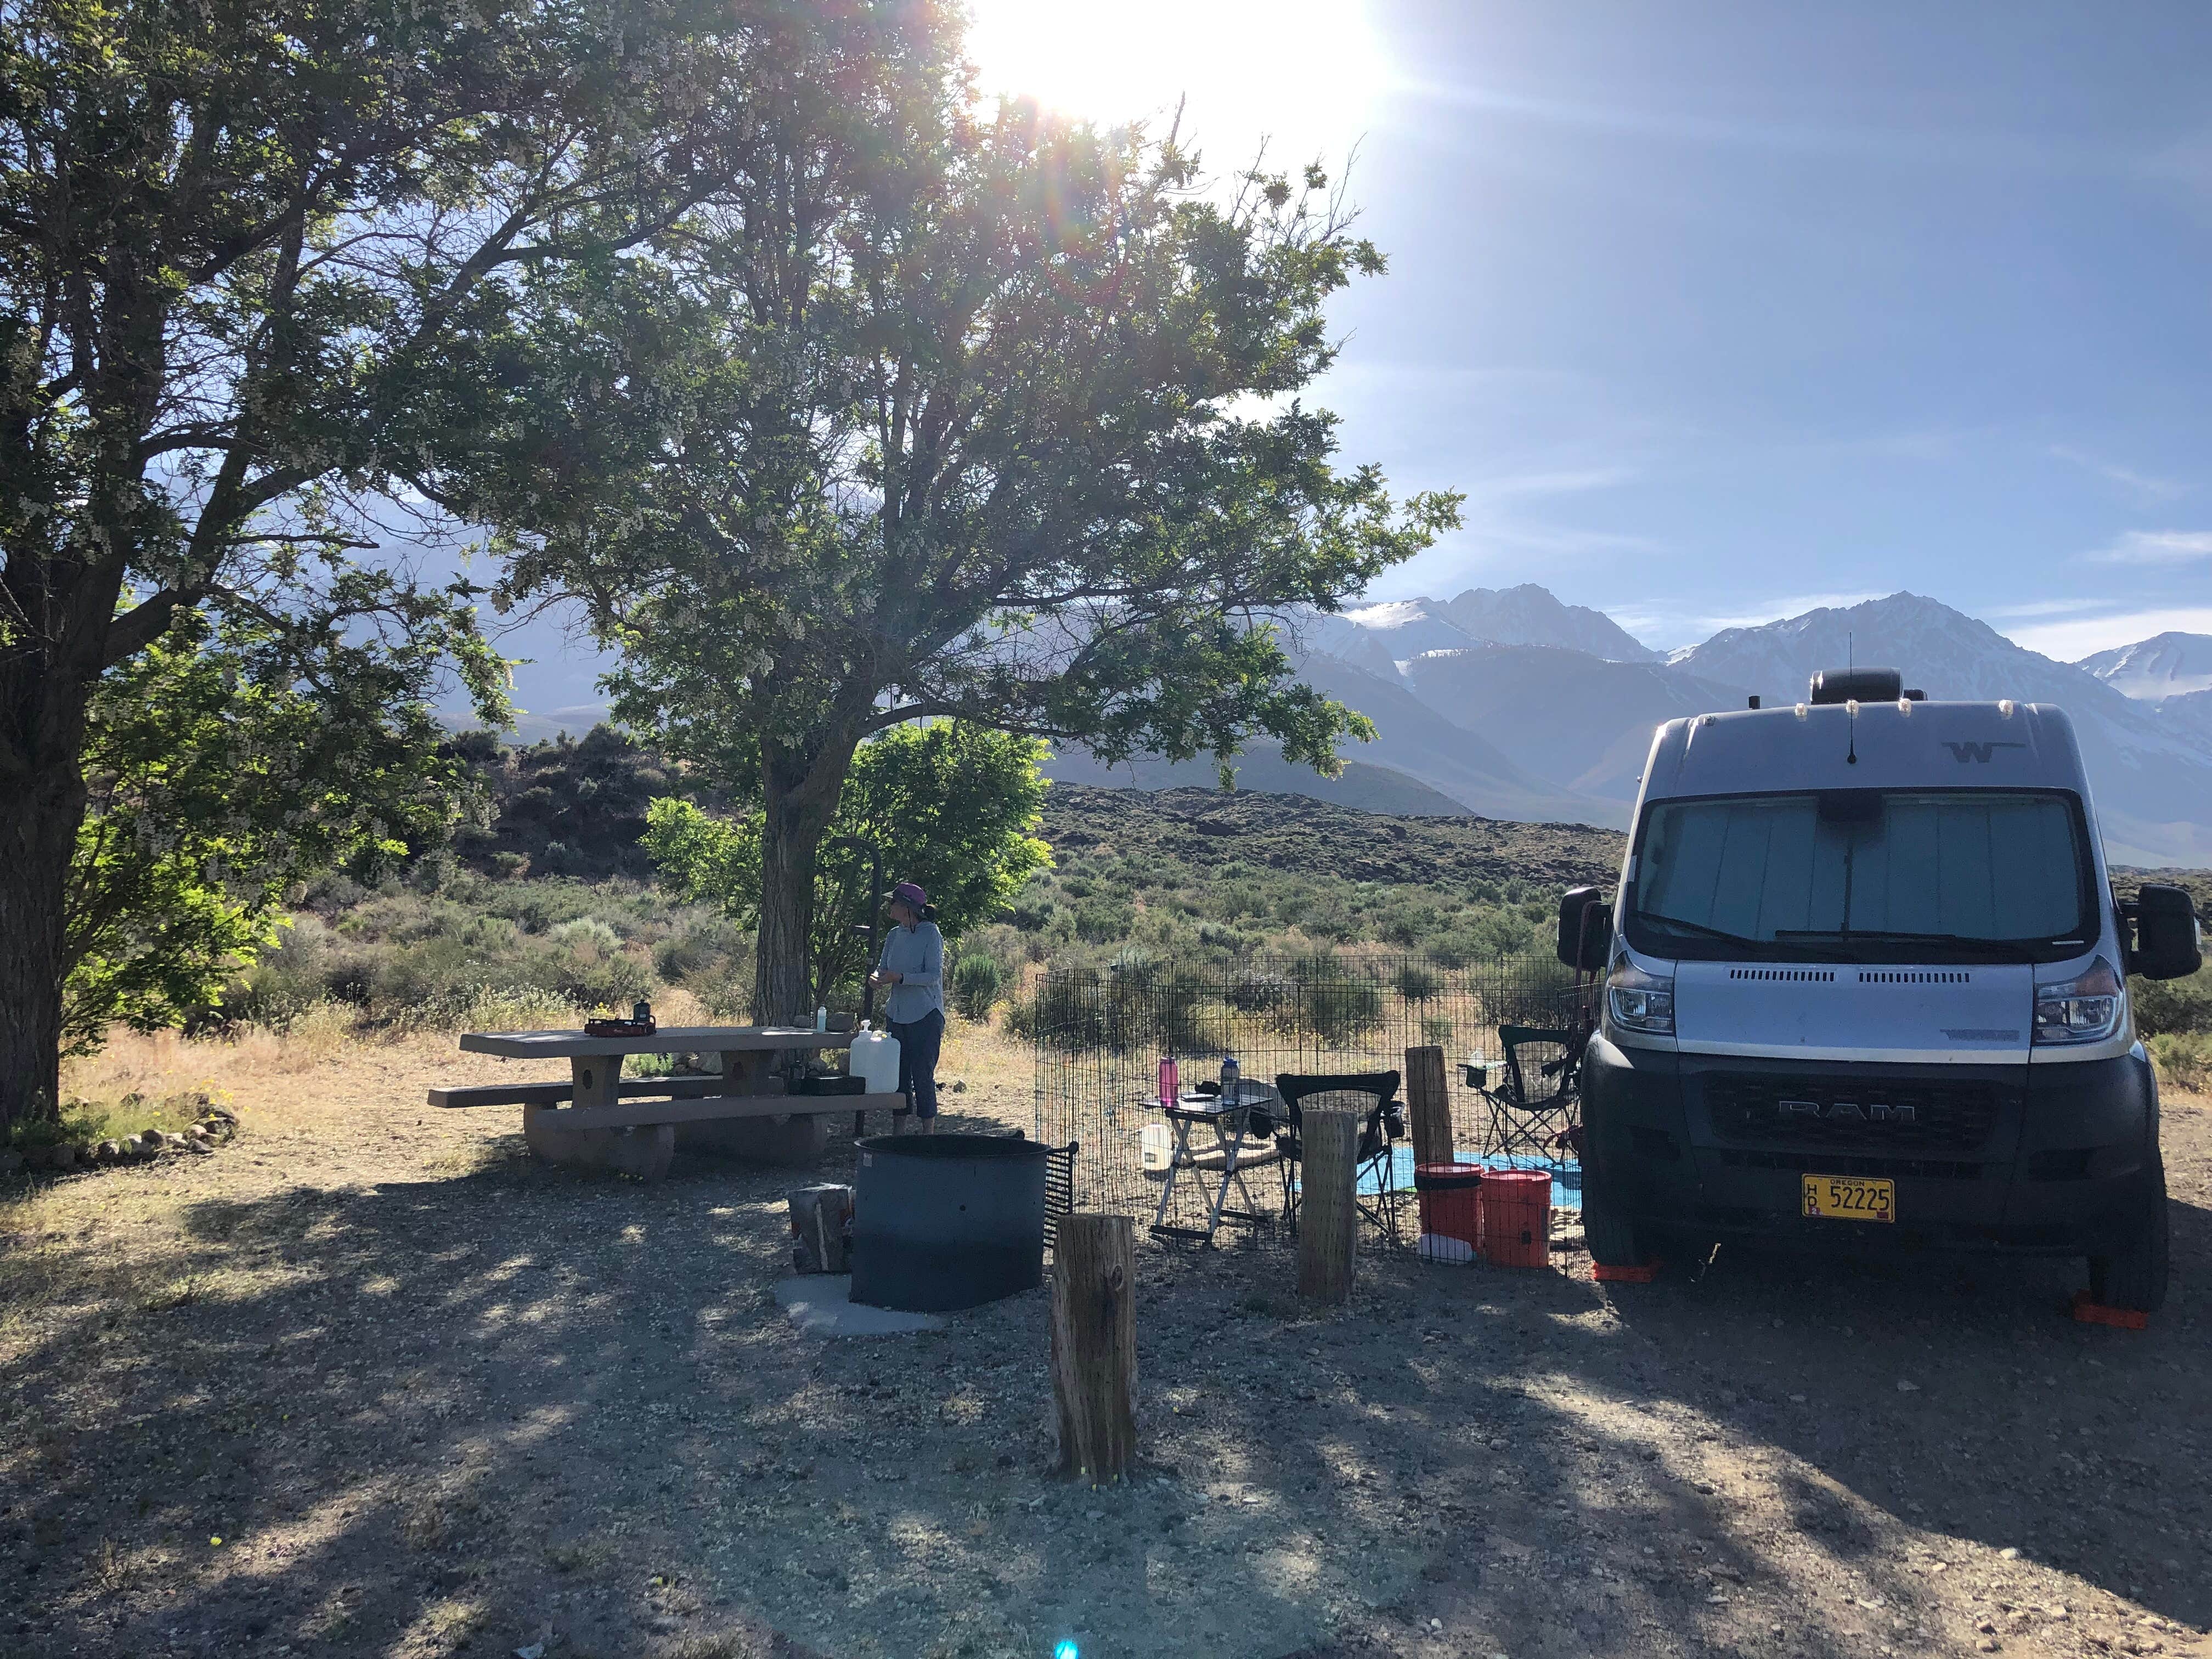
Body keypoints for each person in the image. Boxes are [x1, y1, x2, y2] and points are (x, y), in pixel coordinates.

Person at [867, 881, 944, 1133]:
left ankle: (927, 1134)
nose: (889, 906)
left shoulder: (931, 934)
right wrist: (877, 977)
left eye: (894, 902)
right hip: (897, 1015)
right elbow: (882, 966)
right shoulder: (893, 935)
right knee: (898, 1077)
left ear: (907, 908)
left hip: (925, 1015)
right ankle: (898, 1133)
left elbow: (932, 976)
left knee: (923, 1076)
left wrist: (900, 978)